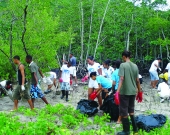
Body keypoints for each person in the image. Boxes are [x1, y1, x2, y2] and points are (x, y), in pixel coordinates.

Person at [117, 51, 141, 135]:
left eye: (122, 57)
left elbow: (122, 79)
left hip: (125, 91)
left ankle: (126, 131)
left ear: (124, 56)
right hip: (133, 91)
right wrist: (139, 91)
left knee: (124, 111)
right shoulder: (135, 66)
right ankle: (135, 130)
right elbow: (137, 80)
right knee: (131, 110)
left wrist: (117, 91)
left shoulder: (122, 65)